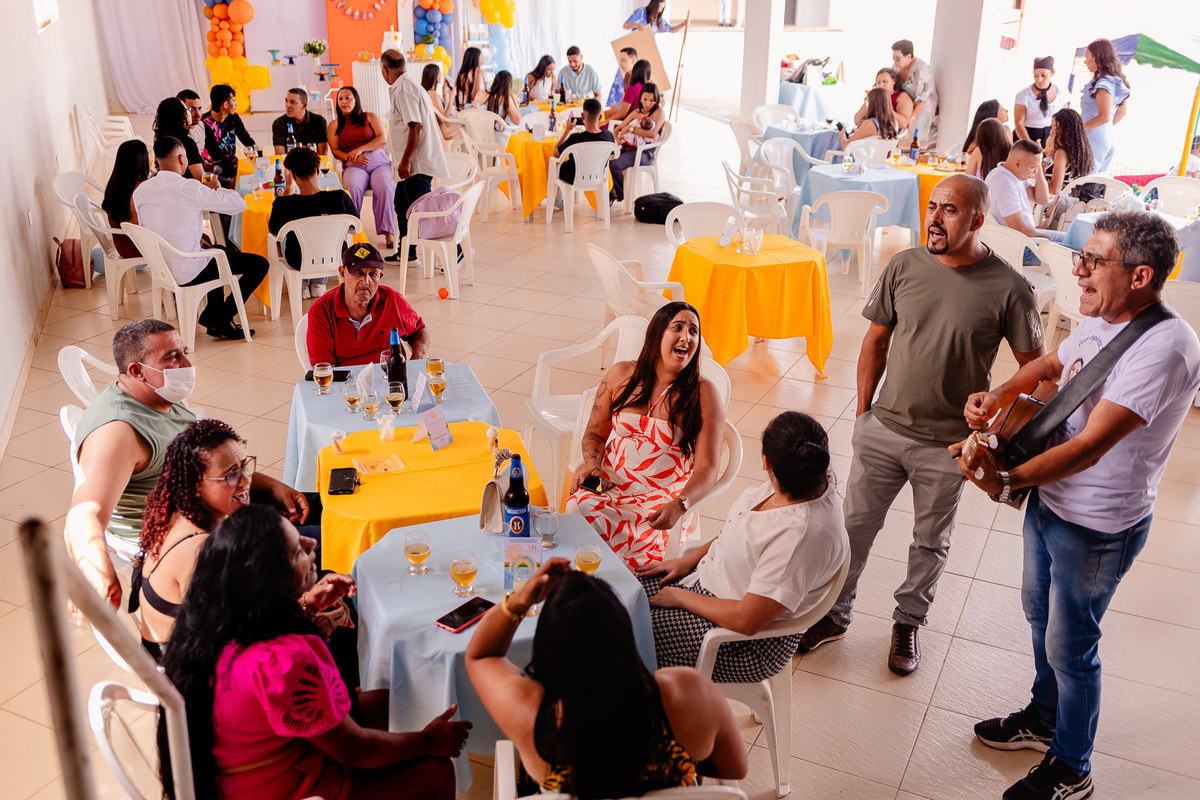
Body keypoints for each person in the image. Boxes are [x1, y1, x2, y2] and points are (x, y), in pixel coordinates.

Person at [955, 212, 1200, 800]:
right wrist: (1001, 394)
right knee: (1040, 617)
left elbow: (1090, 448)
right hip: (1051, 500)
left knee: (1072, 643)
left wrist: (1005, 479)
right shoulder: (1099, 318)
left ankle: (1073, 767)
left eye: (1094, 261)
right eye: (1080, 256)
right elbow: (1051, 366)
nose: (1079, 271)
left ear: (1141, 276)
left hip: (1096, 524)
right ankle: (1044, 719)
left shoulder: (1164, 348)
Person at [795, 175, 1045, 675]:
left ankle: (908, 622)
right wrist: (864, 413)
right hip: (883, 429)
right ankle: (834, 614)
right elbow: (874, 343)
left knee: (930, 542)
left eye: (948, 210)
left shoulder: (1010, 289)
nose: (933, 218)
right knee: (853, 531)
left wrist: (993, 407)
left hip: (949, 446)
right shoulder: (904, 264)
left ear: (977, 220)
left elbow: (1036, 370)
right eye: (932, 207)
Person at [161, 504, 468, 800]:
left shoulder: (217, 621)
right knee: (436, 773)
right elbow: (354, 749)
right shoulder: (283, 661)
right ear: (272, 585)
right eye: (297, 550)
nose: (311, 544)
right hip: (285, 785)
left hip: (260, 761)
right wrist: (427, 742)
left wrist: (306, 607)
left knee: (399, 700)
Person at [64, 320, 309, 611]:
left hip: (215, 505)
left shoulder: (161, 395)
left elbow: (210, 466)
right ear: (136, 371)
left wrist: (271, 486)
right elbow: (83, 517)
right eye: (172, 357)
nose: (186, 364)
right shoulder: (118, 433)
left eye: (184, 352)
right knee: (320, 546)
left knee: (327, 511)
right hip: (188, 542)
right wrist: (98, 572)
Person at [465, 561, 747, 796]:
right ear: (623, 633)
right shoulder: (687, 691)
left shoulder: (533, 714)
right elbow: (735, 769)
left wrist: (519, 601)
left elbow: (480, 656)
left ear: (549, 649)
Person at [637, 411, 850, 681]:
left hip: (739, 644)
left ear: (766, 463)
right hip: (703, 584)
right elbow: (741, 533)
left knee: (620, 633)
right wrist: (688, 560)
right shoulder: (794, 485)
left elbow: (747, 621)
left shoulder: (801, 535)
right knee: (610, 593)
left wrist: (681, 597)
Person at [136, 420, 352, 663]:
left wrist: (307, 603)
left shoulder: (183, 512)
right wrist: (307, 616)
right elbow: (237, 647)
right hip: (197, 678)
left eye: (244, 467)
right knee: (344, 635)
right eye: (230, 475)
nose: (245, 482)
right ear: (196, 486)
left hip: (219, 646)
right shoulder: (201, 553)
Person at [566, 302, 726, 571]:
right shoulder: (621, 375)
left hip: (661, 501)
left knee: (620, 558)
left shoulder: (704, 393)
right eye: (678, 327)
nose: (686, 337)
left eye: (694, 331)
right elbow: (594, 435)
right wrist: (593, 466)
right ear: (657, 334)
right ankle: (582, 589)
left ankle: (619, 592)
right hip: (612, 486)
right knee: (577, 508)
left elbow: (708, 468)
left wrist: (680, 504)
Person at [134, 136, 267, 339]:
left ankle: (217, 321)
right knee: (258, 264)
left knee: (217, 250)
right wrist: (216, 188)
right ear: (181, 158)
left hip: (162, 267)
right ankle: (220, 316)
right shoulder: (190, 188)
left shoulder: (141, 191)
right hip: (188, 270)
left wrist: (195, 239)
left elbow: (153, 227)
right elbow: (239, 205)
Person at [380, 49, 449, 266]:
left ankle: (455, 251)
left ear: (385, 70)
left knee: (425, 212)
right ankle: (407, 251)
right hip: (412, 162)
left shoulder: (403, 90)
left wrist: (405, 160)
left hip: (415, 164)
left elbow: (415, 126)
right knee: (401, 204)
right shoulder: (407, 85)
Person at [306, 242, 428, 366]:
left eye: (372, 274)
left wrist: (417, 360)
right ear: (342, 273)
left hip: (389, 379)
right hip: (345, 382)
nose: (365, 281)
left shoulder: (392, 300)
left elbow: (419, 330)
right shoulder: (321, 312)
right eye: (358, 272)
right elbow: (324, 370)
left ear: (380, 276)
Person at [268, 146, 360, 299]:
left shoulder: (283, 204)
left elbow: (274, 231)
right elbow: (354, 226)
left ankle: (302, 285)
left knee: (283, 238)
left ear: (293, 174)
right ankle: (318, 283)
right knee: (337, 238)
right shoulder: (340, 198)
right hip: (335, 257)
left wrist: (288, 189)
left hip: (297, 260)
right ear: (318, 170)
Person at [328, 85, 396, 250]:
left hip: (379, 162)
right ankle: (353, 232)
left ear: (356, 99)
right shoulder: (335, 124)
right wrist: (352, 157)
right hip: (353, 165)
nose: (344, 101)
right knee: (352, 187)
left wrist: (360, 149)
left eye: (348, 97)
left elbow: (382, 139)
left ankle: (388, 232)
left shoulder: (370, 117)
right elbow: (335, 151)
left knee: (386, 185)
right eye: (340, 99)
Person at [984, 138, 1067, 247]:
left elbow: (1042, 199)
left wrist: (1038, 167)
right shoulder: (1005, 183)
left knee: (1072, 240)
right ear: (1017, 164)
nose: (1034, 171)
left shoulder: (1012, 174)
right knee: (1074, 250)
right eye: (1032, 167)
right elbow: (1021, 229)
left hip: (1027, 238)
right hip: (1018, 246)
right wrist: (1046, 235)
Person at [609, 82, 665, 204]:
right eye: (645, 99)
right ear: (640, 98)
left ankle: (619, 194)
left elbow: (652, 133)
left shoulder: (658, 113)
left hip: (644, 153)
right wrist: (617, 138)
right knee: (606, 159)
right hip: (630, 148)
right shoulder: (636, 113)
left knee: (615, 164)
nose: (648, 103)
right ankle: (612, 192)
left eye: (651, 100)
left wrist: (631, 129)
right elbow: (619, 128)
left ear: (656, 100)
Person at [1080, 38, 1131, 173]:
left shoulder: (1104, 84)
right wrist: (1103, 129)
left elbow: (1104, 116)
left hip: (1093, 138)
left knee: (1085, 181)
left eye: (1087, 57)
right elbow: (1121, 112)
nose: (1085, 61)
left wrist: (1078, 129)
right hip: (1104, 136)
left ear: (1097, 57)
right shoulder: (1114, 80)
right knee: (1094, 182)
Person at [102, 139, 150, 259]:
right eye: (148, 154)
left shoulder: (115, 183)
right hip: (135, 247)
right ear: (141, 161)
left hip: (121, 245)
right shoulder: (139, 189)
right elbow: (136, 225)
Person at [201, 84, 256, 188]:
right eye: (234, 100)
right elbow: (216, 155)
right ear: (225, 104)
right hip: (213, 170)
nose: (236, 104)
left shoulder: (233, 118)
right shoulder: (205, 124)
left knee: (255, 178)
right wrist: (234, 174)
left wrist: (258, 155)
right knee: (240, 185)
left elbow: (246, 138)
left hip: (231, 165)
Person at [552, 98, 615, 185]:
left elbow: (556, 153)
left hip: (573, 177)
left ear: (582, 116)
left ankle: (559, 199)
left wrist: (567, 130)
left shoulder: (576, 138)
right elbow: (613, 154)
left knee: (554, 168)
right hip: (599, 175)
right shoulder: (608, 136)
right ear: (600, 117)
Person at [891, 39, 938, 146]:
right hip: (906, 105)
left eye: (898, 58)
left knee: (916, 138)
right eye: (893, 58)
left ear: (908, 56)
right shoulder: (896, 66)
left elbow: (922, 98)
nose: (895, 62)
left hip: (922, 106)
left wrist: (912, 117)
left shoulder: (921, 70)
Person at [1014, 56, 1065, 148]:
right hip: (1026, 135)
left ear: (1052, 73)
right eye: (1036, 75)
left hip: (1050, 136)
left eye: (1043, 75)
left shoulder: (1061, 93)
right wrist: (1030, 145)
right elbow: (1019, 123)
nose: (1039, 80)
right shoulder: (1024, 94)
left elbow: (1064, 120)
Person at [1044, 108, 1093, 196]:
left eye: (1055, 129)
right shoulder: (1080, 151)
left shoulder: (1061, 153)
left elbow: (1054, 189)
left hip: (1056, 202)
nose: (1051, 132)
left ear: (1067, 132)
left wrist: (1039, 173)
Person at [153, 96, 204, 181]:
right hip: (188, 189)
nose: (190, 113)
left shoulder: (161, 140)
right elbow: (201, 178)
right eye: (187, 110)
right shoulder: (186, 143)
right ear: (182, 116)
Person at [853, 68, 913, 133]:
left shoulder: (902, 97)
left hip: (885, 137)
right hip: (869, 133)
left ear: (893, 81)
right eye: (878, 82)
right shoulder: (875, 97)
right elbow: (857, 121)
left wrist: (884, 108)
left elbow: (904, 124)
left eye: (885, 82)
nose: (881, 85)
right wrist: (867, 102)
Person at [272, 87, 329, 155]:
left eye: (292, 102)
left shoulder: (319, 121)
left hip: (313, 164)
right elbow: (280, 156)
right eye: (286, 101)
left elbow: (322, 155)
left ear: (304, 105)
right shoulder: (279, 123)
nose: (287, 105)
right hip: (290, 164)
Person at [420, 63, 461, 144]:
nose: (441, 75)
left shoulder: (429, 93)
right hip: (444, 129)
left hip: (442, 128)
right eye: (439, 73)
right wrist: (451, 97)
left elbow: (442, 110)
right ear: (434, 76)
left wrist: (444, 93)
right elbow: (445, 118)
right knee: (469, 130)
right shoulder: (433, 94)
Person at [608, 58, 652, 126]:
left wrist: (605, 121)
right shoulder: (647, 89)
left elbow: (622, 114)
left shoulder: (632, 88)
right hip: (638, 125)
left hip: (625, 125)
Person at [453, 46, 486, 112]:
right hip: (469, 109)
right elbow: (474, 97)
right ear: (475, 59)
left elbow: (484, 90)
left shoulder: (479, 71)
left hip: (480, 105)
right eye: (481, 57)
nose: (482, 60)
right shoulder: (464, 75)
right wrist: (477, 76)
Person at [605, 46, 638, 111]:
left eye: (623, 60)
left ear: (633, 60)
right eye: (619, 60)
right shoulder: (627, 76)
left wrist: (619, 108)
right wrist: (616, 107)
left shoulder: (642, 77)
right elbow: (625, 97)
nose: (620, 63)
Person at [176, 88, 207, 155]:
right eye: (192, 109)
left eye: (199, 108)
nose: (197, 114)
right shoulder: (176, 133)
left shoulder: (201, 125)